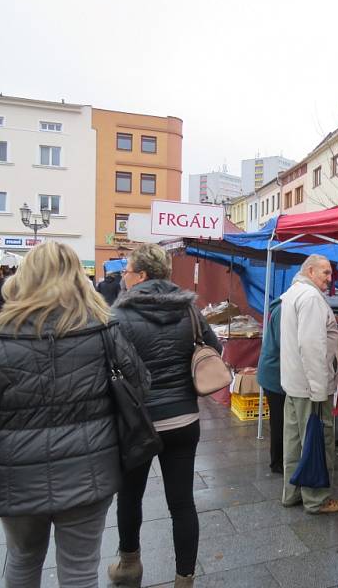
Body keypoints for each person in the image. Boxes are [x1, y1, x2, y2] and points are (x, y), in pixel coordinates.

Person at [0, 241, 149, 587]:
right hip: (89, 472)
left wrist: (11, 446)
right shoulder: (104, 328)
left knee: (22, 561)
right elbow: (139, 386)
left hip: (18, 474)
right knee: (80, 570)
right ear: (77, 278)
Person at [110, 243, 220, 588]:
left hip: (136, 422)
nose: (123, 277)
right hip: (183, 418)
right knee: (182, 503)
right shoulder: (189, 310)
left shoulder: (118, 315)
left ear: (141, 275)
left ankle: (129, 565)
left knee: (130, 495)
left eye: (126, 271)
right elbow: (213, 348)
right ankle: (184, 579)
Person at [280, 255, 338, 515]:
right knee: (317, 442)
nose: (329, 279)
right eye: (325, 273)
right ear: (310, 271)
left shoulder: (293, 294)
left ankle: (292, 492)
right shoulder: (310, 299)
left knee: (295, 442)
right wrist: (320, 389)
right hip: (311, 387)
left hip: (295, 383)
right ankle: (316, 499)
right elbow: (311, 346)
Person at [257, 297, 285, 474]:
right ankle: (277, 463)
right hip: (275, 374)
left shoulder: (281, 307)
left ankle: (280, 460)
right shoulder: (283, 310)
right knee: (279, 421)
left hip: (276, 372)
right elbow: (285, 344)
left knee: (279, 419)